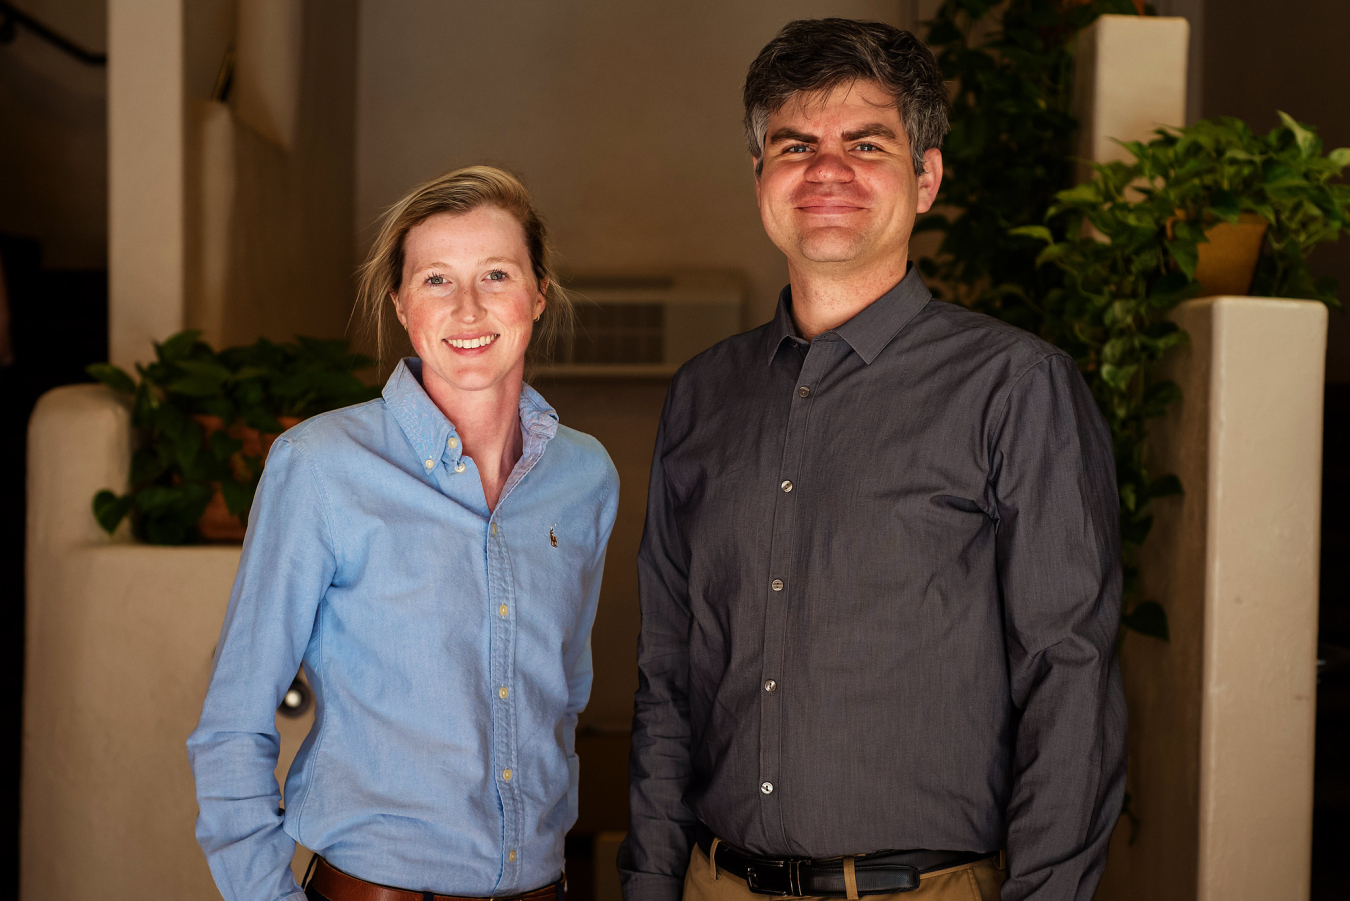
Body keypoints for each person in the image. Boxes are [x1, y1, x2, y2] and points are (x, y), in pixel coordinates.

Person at [619, 19, 1125, 901]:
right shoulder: (703, 394)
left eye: (866, 143)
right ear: (761, 178)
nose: (826, 170)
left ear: (925, 179)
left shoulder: (1016, 387)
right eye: (795, 144)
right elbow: (669, 674)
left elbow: (1069, 679)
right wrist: (651, 884)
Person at [188, 166, 619, 901]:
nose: (468, 306)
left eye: (496, 273)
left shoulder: (586, 476)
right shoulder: (321, 468)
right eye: (436, 280)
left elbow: (563, 696)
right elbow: (232, 725)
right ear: (400, 302)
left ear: (537, 292)